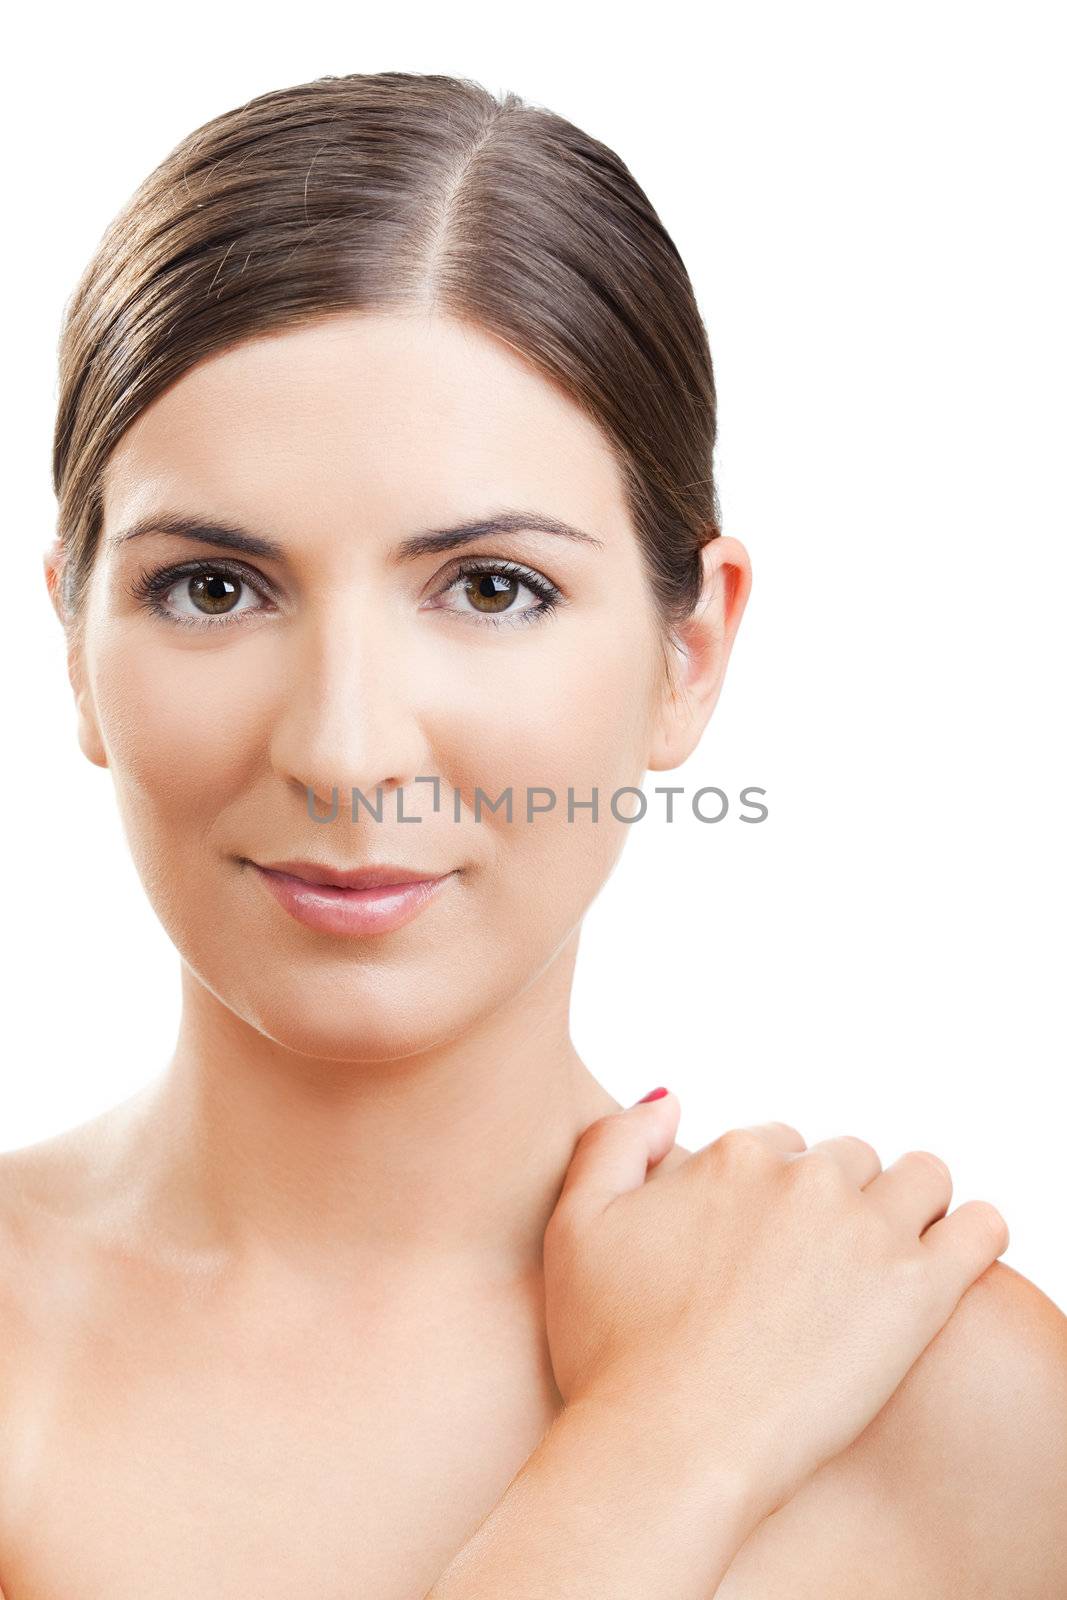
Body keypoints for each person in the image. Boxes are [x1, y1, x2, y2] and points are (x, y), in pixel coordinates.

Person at [1, 70, 1064, 1597]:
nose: (345, 750)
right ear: (72, 644)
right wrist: (664, 1452)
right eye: (214, 588)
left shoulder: (961, 1406)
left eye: (491, 588)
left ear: (687, 656)